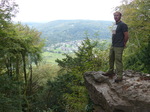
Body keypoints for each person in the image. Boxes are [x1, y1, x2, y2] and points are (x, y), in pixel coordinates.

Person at [103, 11, 129, 83]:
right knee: (111, 58)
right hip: (113, 45)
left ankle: (119, 76)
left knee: (118, 60)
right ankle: (110, 71)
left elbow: (126, 35)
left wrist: (124, 43)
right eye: (114, 15)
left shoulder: (123, 25)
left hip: (119, 46)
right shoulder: (115, 24)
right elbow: (114, 34)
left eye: (117, 15)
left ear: (120, 16)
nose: (115, 17)